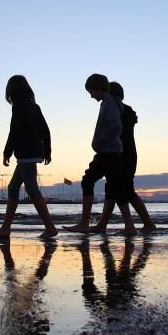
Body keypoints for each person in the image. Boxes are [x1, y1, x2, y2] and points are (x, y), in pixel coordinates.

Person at [63, 73, 137, 235]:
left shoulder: (109, 104)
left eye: (91, 92)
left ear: (97, 88)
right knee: (116, 188)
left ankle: (84, 223)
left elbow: (116, 126)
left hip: (108, 152)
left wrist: (99, 142)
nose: (90, 96)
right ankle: (130, 226)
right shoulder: (111, 103)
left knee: (87, 181)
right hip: (112, 152)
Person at [0, 75, 58, 240]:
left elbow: (15, 130)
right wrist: (47, 150)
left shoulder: (18, 105)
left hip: (26, 152)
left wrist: (7, 152)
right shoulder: (34, 105)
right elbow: (46, 130)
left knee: (32, 189)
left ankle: (50, 227)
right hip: (34, 151)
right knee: (13, 187)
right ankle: (5, 228)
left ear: (11, 90)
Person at [89, 81, 157, 233]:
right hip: (127, 153)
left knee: (125, 189)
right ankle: (102, 225)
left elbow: (116, 131)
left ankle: (147, 223)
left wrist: (100, 143)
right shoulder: (125, 110)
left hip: (122, 154)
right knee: (112, 188)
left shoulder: (116, 109)